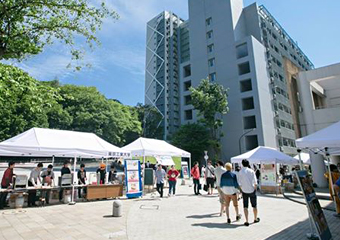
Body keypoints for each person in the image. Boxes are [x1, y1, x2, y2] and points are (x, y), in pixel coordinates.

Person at [237, 159, 259, 226]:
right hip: (252, 190)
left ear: (242, 164)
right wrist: (254, 189)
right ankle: (255, 218)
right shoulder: (251, 171)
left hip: (244, 191)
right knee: (254, 206)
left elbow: (239, 183)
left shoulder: (240, 172)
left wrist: (242, 189)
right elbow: (255, 182)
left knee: (245, 206)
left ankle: (247, 221)